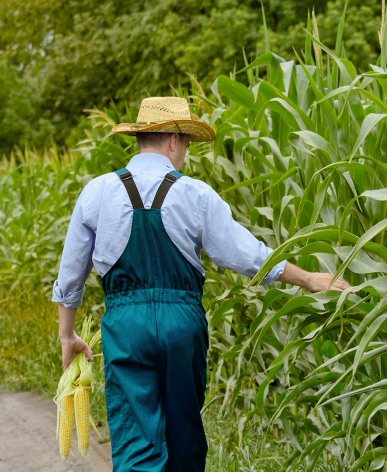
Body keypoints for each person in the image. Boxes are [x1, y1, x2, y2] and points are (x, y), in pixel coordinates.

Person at [51, 97, 349, 471]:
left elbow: (71, 274)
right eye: (187, 145)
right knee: (185, 441)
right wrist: (308, 278)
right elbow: (247, 255)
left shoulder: (96, 192)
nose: (185, 154)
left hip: (126, 328)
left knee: (135, 445)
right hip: (182, 326)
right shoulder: (196, 194)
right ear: (174, 140)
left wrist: (68, 335)